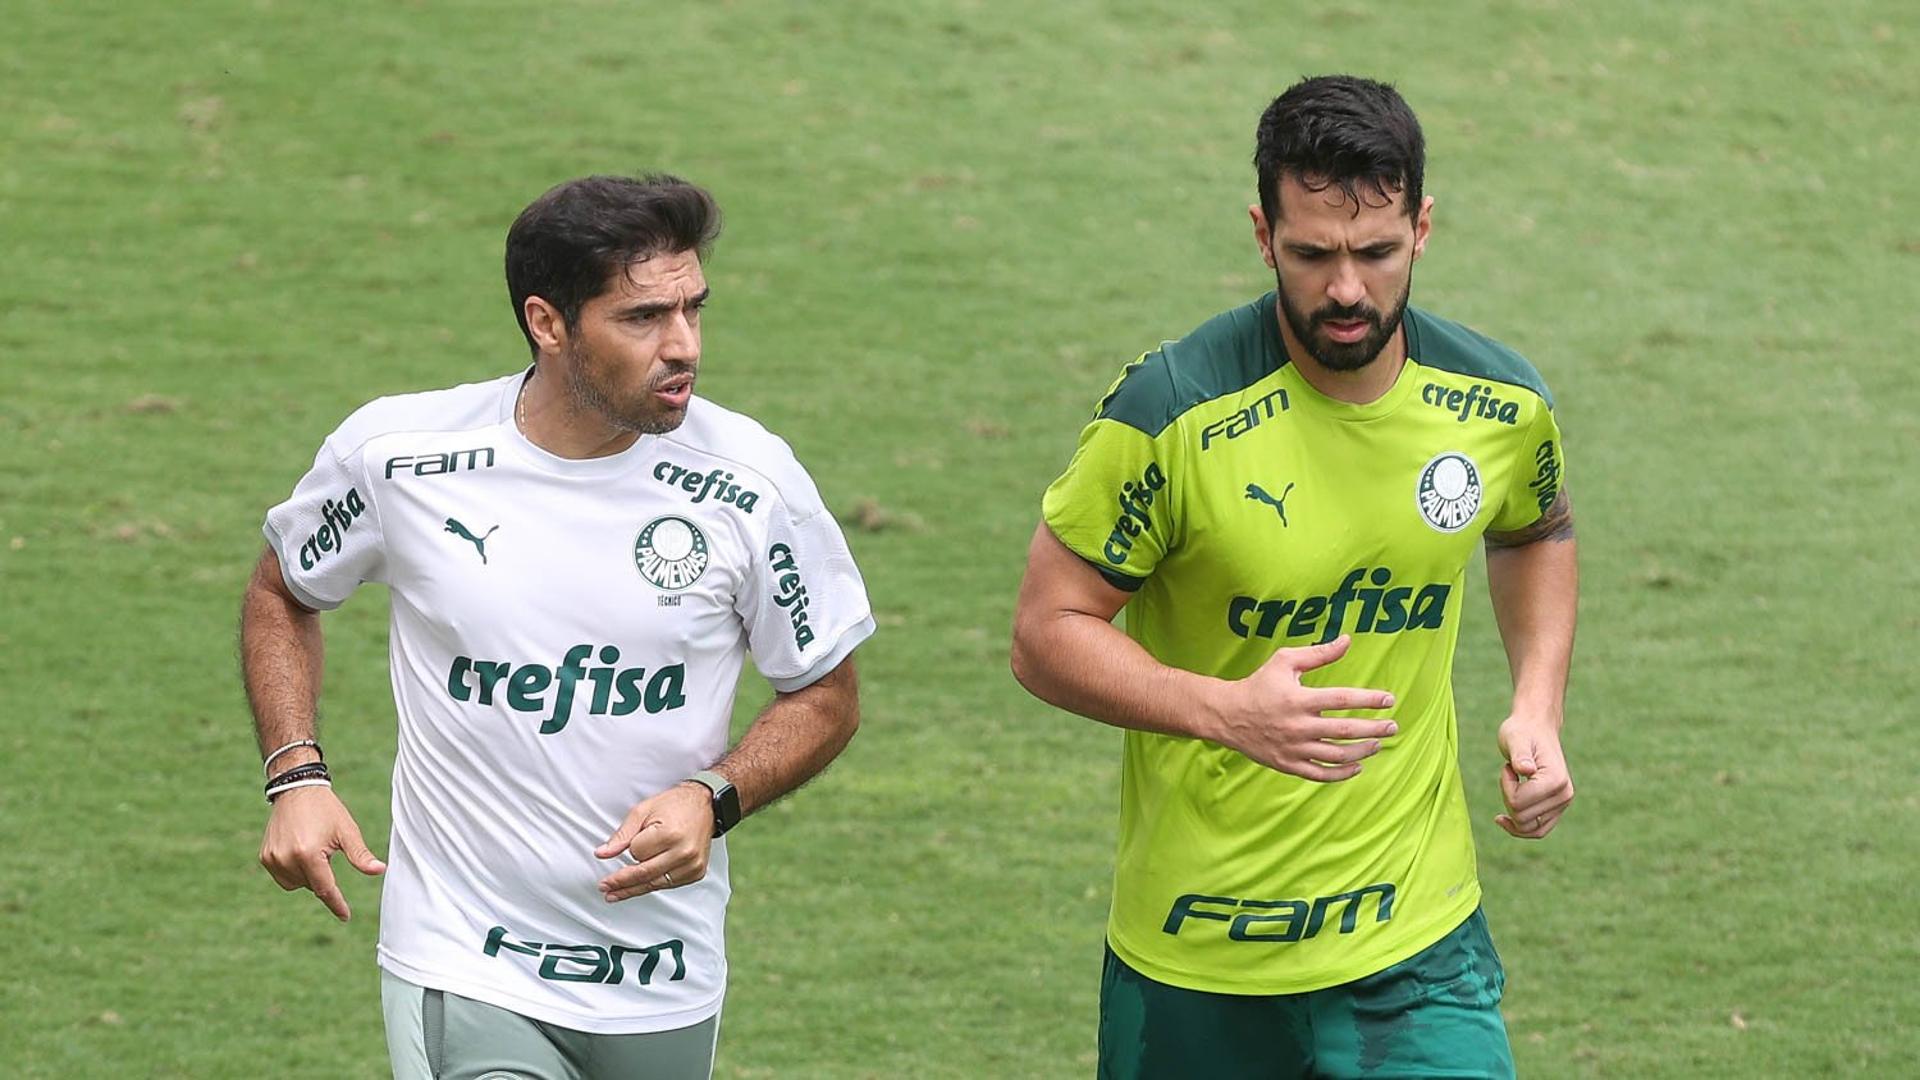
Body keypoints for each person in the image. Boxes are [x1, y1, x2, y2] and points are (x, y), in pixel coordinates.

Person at [241, 175, 874, 1079]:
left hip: (663, 974)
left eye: (695, 309)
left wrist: (713, 796)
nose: (683, 346)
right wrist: (294, 773)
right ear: (548, 323)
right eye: (644, 318)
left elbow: (825, 694)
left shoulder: (753, 484)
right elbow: (283, 590)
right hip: (465, 960)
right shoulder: (400, 460)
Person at [1010, 75, 1577, 1078]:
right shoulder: (1169, 412)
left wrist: (1537, 704)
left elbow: (1533, 529)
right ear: (1263, 234)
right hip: (1201, 956)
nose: (1347, 288)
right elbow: (1046, 632)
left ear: (1424, 227)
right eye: (1313, 254)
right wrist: (1225, 711)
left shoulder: (1499, 403)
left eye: (1376, 251)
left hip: (1417, 943)